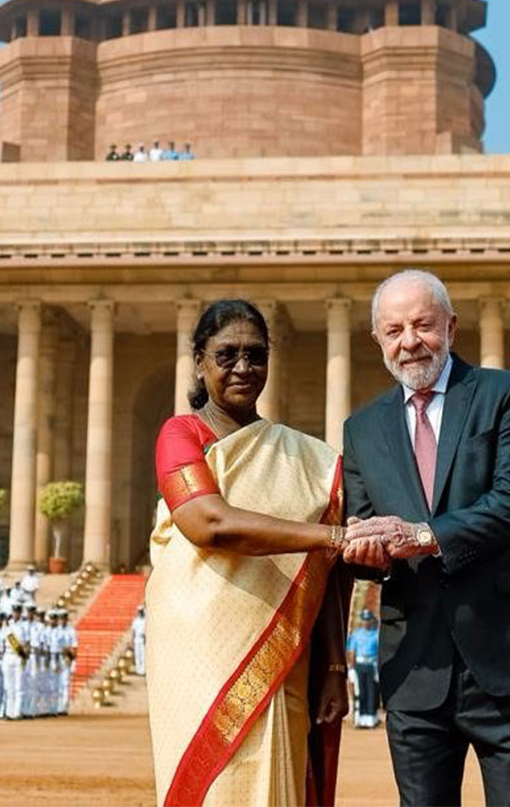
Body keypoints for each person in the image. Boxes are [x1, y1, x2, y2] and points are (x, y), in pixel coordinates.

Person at [342, 270, 510, 807]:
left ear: (451, 326)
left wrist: (422, 535)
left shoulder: (502, 394)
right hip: (415, 666)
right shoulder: (361, 429)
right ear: (377, 339)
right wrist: (363, 552)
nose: (410, 342)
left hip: (509, 655)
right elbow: (365, 532)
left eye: (423, 324)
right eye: (394, 329)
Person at [146, 298, 350, 806]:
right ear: (199, 361)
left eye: (255, 355)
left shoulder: (309, 460)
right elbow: (208, 524)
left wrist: (333, 667)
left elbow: (323, 574)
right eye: (227, 355)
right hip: (200, 660)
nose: (243, 368)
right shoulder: (182, 435)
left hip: (285, 657)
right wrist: (332, 536)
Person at [346, 609, 380, 729]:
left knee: (371, 691)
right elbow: (352, 651)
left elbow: (379, 652)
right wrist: (351, 668)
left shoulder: (376, 634)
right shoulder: (356, 634)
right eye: (364, 620)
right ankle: (360, 718)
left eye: (368, 620)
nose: (366, 622)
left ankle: (370, 719)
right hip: (359, 664)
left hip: (372, 665)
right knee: (360, 691)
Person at [129, 605, 146, 677]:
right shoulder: (136, 621)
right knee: (137, 655)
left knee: (143, 654)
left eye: (141, 611)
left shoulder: (145, 620)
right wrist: (132, 641)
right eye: (139, 611)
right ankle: (138, 670)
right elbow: (133, 631)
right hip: (137, 639)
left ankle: (143, 670)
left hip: (143, 639)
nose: (140, 613)